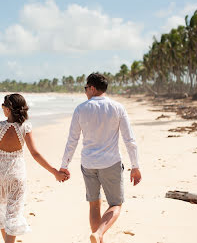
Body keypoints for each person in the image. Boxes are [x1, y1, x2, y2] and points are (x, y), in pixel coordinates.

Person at [59, 73, 142, 243]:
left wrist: (64, 165)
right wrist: (135, 166)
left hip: (88, 163)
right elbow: (129, 139)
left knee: (94, 204)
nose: (85, 92)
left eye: (85, 88)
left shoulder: (81, 109)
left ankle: (97, 236)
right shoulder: (117, 108)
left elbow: (72, 141)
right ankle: (98, 234)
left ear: (92, 88)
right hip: (111, 163)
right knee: (116, 204)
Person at [0, 93, 67, 243]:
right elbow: (35, 153)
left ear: (8, 109)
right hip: (16, 174)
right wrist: (54, 172)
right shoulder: (25, 127)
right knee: (13, 216)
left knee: (3, 214)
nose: (2, 109)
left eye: (3, 106)